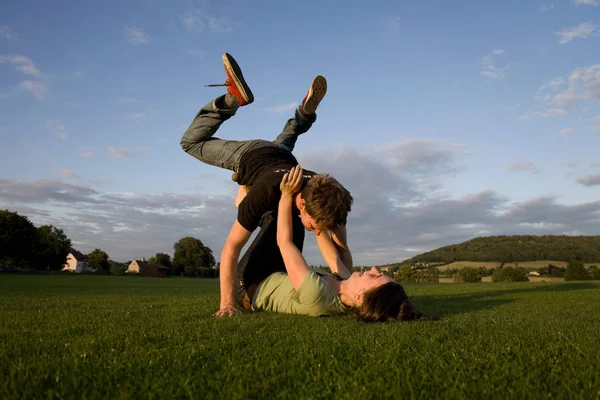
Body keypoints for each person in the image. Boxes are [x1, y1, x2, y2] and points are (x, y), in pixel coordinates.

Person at [180, 53, 354, 317]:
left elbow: (334, 248)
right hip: (250, 155)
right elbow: (231, 248)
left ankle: (303, 115)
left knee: (285, 141)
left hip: (281, 155)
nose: (315, 231)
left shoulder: (325, 191)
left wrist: (346, 279)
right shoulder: (267, 192)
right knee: (191, 143)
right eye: (314, 226)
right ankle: (232, 99)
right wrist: (226, 303)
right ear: (303, 204)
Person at [243, 165, 433, 322]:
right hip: (273, 273)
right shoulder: (344, 281)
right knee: (300, 220)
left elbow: (284, 243)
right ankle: (244, 195)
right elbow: (327, 247)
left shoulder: (317, 295)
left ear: (360, 297)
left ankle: (245, 189)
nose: (374, 268)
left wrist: (286, 195)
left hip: (249, 285)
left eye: (375, 277)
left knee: (276, 217)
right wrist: (327, 216)